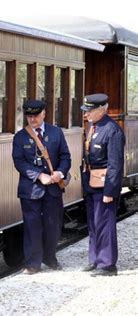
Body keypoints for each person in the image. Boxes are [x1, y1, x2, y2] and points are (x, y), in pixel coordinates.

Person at [12, 100, 71, 274]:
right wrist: (39, 175)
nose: (32, 119)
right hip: (30, 190)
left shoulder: (56, 133)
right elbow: (19, 162)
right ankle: (33, 263)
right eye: (29, 116)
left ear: (44, 114)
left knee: (53, 226)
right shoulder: (20, 137)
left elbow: (65, 156)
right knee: (32, 227)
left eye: (35, 116)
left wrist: (59, 173)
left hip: (53, 189)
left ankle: (50, 258)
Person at [80, 93, 125, 277]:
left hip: (103, 185)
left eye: (89, 111)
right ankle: (95, 259)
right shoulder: (94, 126)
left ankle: (107, 265)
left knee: (105, 224)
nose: (86, 114)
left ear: (101, 110)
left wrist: (110, 191)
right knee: (93, 223)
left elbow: (115, 164)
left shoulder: (112, 130)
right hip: (91, 182)